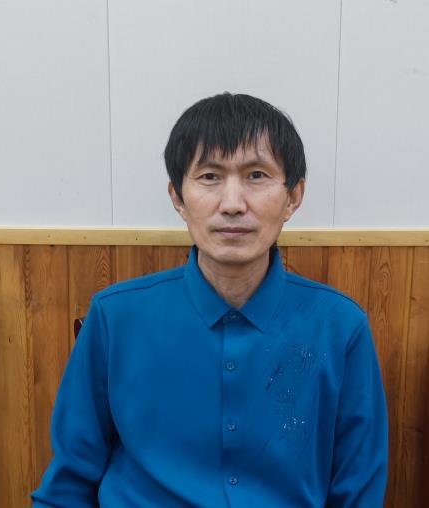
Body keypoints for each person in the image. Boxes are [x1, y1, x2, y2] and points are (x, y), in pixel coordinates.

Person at [31, 93, 388, 507]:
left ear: (293, 197)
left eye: (257, 175)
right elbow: (67, 486)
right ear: (177, 198)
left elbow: (358, 493)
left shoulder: (340, 327)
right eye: (209, 176)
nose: (232, 205)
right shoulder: (115, 317)